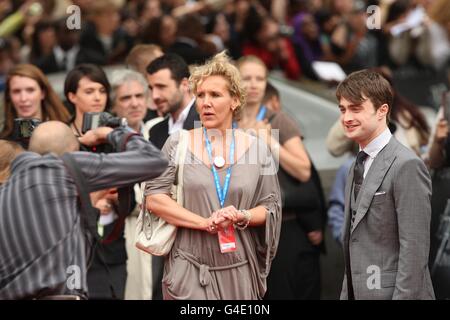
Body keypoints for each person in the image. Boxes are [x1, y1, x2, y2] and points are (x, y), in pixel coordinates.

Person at [144, 51, 281, 300]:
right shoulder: (177, 143)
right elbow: (154, 198)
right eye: (200, 95)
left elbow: (271, 207)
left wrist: (242, 216)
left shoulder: (258, 148)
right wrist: (203, 223)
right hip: (188, 267)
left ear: (235, 101)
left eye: (215, 95)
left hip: (239, 268)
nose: (205, 102)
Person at [0, 121, 167, 299]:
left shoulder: (6, 193)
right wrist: (110, 132)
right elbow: (154, 160)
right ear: (73, 154)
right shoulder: (63, 167)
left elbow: (63, 245)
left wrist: (89, 205)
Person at [337, 69, 434, 300]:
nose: (346, 117)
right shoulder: (355, 165)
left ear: (383, 111)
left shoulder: (407, 165)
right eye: (343, 109)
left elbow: (415, 250)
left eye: (356, 108)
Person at [236, 55, 326, 300]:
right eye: (247, 78)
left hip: (280, 224)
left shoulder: (277, 120)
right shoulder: (227, 123)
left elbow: (303, 170)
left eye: (260, 78)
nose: (254, 85)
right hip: (239, 227)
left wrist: (268, 141)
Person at [64, 64, 127, 299]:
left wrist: (116, 198)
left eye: (102, 90)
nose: (98, 97)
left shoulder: (117, 135)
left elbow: (130, 193)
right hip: (73, 249)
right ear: (72, 95)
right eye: (89, 91)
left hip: (114, 248)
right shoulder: (59, 136)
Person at [145, 53, 200, 299]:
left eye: (161, 87)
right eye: (151, 88)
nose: (154, 95)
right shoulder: (156, 130)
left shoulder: (206, 120)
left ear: (184, 84)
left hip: (202, 235)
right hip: (164, 239)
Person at [109, 69, 155, 300]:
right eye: (126, 98)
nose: (134, 103)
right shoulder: (108, 140)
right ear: (113, 104)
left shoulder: (158, 132)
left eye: (139, 96)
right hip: (125, 230)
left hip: (162, 230)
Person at [0, 63, 70, 146]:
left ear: (42, 93)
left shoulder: (67, 130)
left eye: (30, 90)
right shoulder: (3, 141)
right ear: (9, 96)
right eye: (16, 91)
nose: (23, 98)